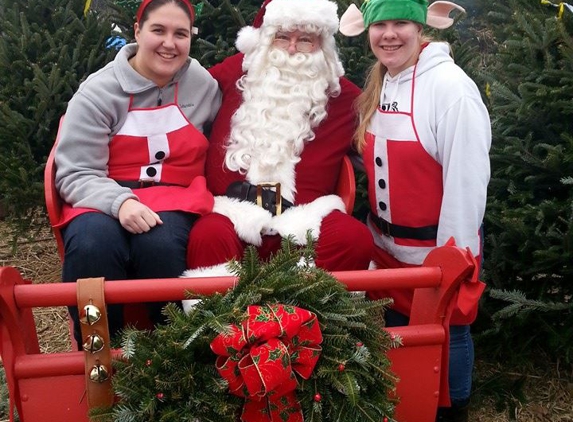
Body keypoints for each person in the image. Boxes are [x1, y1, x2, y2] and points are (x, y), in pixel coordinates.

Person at [339, 1, 490, 421]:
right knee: (397, 337)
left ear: (421, 26)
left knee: (449, 334)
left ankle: (453, 411)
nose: (389, 34)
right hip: (389, 250)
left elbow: (466, 180)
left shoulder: (450, 88)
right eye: (380, 25)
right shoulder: (383, 81)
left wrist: (452, 260)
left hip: (435, 254)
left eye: (400, 23)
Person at [54, 0, 221, 348]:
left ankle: (173, 350)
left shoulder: (202, 85)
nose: (169, 43)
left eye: (180, 34)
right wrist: (120, 202)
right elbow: (74, 172)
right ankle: (100, 349)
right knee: (91, 245)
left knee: (159, 247)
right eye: (158, 30)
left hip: (176, 195)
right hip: (101, 195)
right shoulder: (98, 92)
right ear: (137, 31)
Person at [184, 0, 373, 281]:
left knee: (352, 238)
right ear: (266, 38)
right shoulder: (235, 72)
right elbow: (177, 86)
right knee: (208, 236)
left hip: (307, 217)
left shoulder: (345, 98)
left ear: (322, 47)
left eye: (305, 40)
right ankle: (220, 324)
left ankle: (305, 317)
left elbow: (383, 135)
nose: (292, 49)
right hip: (232, 212)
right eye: (283, 37)